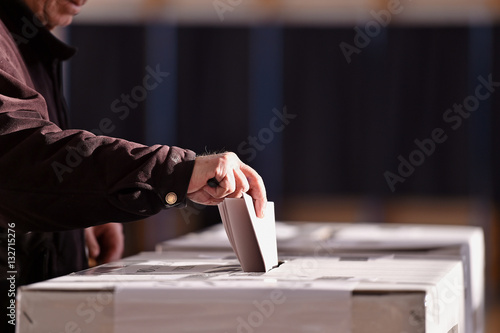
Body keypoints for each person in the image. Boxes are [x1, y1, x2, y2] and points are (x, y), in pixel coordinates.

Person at [0, 0, 267, 330]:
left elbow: (31, 181)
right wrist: (175, 172)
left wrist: (77, 212)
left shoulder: (26, 41)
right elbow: (16, 162)